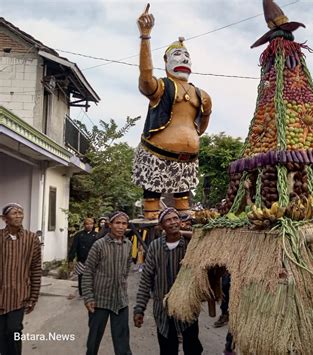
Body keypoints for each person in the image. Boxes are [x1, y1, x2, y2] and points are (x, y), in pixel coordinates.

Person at [132, 4, 212, 219]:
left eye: (187, 56)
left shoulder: (202, 94)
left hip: (187, 160)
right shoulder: (163, 86)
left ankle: (182, 213)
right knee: (151, 209)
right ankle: (152, 215)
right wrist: (145, 37)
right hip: (156, 155)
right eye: (177, 54)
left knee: (184, 209)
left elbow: (202, 124)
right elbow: (146, 78)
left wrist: (192, 137)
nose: (184, 59)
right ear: (166, 61)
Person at [133, 207, 203, 354]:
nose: (173, 222)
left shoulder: (191, 245)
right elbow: (146, 279)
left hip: (187, 306)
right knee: (167, 349)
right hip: (163, 309)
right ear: (161, 226)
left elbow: (206, 238)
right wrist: (139, 308)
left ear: (181, 221)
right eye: (168, 220)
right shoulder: (155, 247)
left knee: (193, 348)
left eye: (175, 218)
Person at [82, 211, 133, 355]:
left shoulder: (128, 245)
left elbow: (127, 268)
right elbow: (88, 272)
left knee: (122, 341)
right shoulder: (99, 245)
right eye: (117, 223)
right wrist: (88, 297)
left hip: (120, 300)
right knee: (93, 340)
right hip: (100, 300)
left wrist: (121, 283)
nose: (121, 226)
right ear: (110, 225)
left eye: (124, 223)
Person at [0, 203, 42, 355]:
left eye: (20, 212)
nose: (18, 216)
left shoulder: (31, 239)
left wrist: (34, 296)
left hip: (19, 295)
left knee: (14, 330)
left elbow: (36, 269)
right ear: (5, 218)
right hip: (0, 295)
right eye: (14, 213)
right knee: (2, 335)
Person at [67, 217, 98, 297]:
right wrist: (70, 260)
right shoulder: (79, 235)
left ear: (93, 225)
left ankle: (92, 293)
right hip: (81, 260)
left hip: (93, 261)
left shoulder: (96, 235)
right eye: (87, 224)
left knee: (93, 278)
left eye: (91, 224)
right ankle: (82, 293)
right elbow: (74, 247)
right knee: (81, 277)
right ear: (84, 225)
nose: (89, 226)